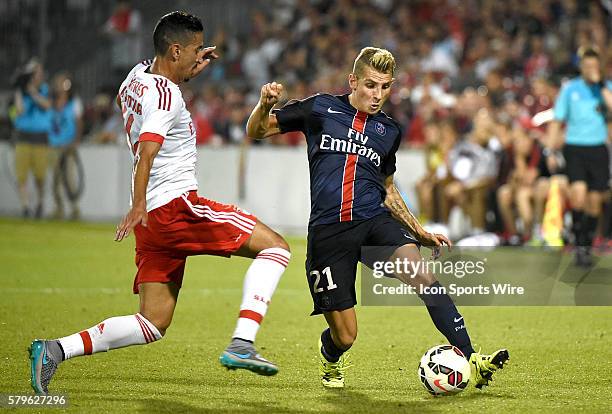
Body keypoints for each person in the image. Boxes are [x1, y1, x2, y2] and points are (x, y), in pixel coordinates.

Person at [29, 11, 291, 395]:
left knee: (153, 322)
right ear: (174, 49)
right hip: (175, 207)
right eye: (196, 50)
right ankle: (243, 342)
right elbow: (149, 152)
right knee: (277, 249)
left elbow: (150, 91)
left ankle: (55, 349)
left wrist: (187, 69)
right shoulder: (166, 98)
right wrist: (137, 203)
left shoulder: (135, 78)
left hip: (153, 221)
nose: (200, 55)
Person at [246, 47, 508, 389]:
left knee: (423, 277)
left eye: (385, 87)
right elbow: (257, 130)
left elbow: (388, 188)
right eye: (371, 85)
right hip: (329, 234)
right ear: (353, 81)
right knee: (346, 336)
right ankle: (330, 355)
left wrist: (419, 230)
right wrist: (265, 104)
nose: (378, 95)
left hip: (373, 223)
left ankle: (473, 356)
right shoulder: (320, 108)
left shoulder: (389, 131)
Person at [547, 46, 612, 266]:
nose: (591, 69)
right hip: (575, 148)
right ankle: (579, 245)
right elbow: (557, 120)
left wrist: (601, 85)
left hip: (598, 149)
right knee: (578, 196)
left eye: (595, 66)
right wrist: (551, 150)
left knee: (594, 202)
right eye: (587, 66)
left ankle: (586, 242)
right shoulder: (570, 89)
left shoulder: (606, 89)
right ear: (581, 67)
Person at [12, 59, 52, 218]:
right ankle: (26, 206)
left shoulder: (44, 89)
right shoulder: (21, 91)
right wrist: (19, 89)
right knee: (21, 175)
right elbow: (19, 110)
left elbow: (46, 105)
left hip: (40, 138)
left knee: (40, 176)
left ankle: (40, 203)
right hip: (23, 137)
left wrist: (32, 92)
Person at [48, 72, 84, 220]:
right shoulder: (51, 101)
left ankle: (74, 208)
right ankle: (59, 208)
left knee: (69, 177)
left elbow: (79, 122)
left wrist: (76, 141)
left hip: (68, 145)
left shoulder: (74, 102)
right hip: (54, 144)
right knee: (55, 178)